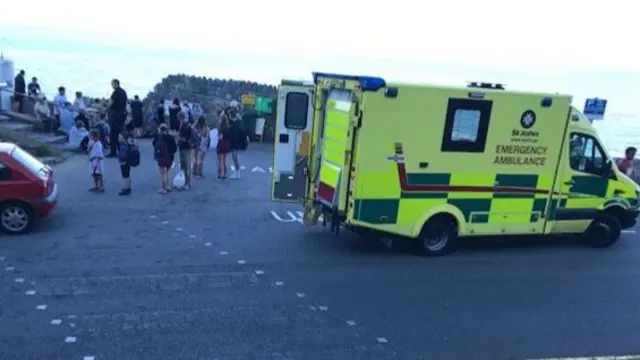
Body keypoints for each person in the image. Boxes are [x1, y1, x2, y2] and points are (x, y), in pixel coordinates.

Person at [153, 123, 177, 194]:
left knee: (162, 173)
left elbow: (154, 144)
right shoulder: (171, 138)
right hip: (170, 157)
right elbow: (175, 148)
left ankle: (163, 188)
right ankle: (168, 186)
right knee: (168, 172)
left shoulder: (158, 137)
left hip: (161, 157)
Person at [107, 79, 128, 157]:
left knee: (113, 134)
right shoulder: (123, 92)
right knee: (120, 132)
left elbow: (110, 103)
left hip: (116, 115)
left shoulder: (116, 92)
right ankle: (123, 150)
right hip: (123, 114)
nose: (111, 85)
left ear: (116, 83)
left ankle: (113, 152)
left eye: (112, 84)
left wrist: (107, 108)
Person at [227, 103, 248, 179]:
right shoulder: (238, 122)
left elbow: (235, 134)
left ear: (231, 115)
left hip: (235, 144)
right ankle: (236, 172)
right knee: (234, 158)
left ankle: (237, 173)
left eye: (229, 115)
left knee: (235, 158)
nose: (228, 116)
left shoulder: (236, 123)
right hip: (236, 143)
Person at [117, 130, 138, 196]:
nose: (118, 138)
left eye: (119, 137)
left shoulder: (123, 146)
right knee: (127, 175)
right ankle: (128, 187)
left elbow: (122, 155)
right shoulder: (129, 145)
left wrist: (121, 160)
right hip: (127, 161)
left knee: (125, 176)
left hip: (124, 162)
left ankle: (126, 188)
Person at [177, 112, 194, 190]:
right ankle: (187, 183)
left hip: (184, 148)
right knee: (186, 166)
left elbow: (183, 139)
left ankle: (187, 183)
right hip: (186, 148)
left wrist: (176, 136)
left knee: (186, 166)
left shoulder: (184, 127)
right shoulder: (187, 126)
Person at [216, 111, 231, 180]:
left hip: (221, 143)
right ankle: (224, 173)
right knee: (224, 160)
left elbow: (220, 137)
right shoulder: (228, 127)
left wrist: (218, 135)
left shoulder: (221, 127)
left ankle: (220, 174)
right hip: (226, 144)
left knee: (220, 160)